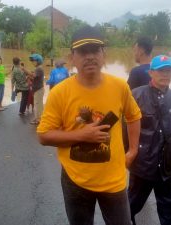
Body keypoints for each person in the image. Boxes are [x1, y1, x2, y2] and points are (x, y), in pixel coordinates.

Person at [37, 26, 141, 225]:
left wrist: (133, 150)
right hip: (75, 180)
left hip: (114, 180)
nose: (90, 56)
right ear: (72, 57)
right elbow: (44, 135)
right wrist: (82, 135)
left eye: (95, 50)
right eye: (83, 52)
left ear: (104, 55)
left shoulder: (120, 87)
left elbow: (134, 116)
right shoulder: (60, 93)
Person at [128, 55, 171, 225]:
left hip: (168, 166)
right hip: (143, 165)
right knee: (130, 206)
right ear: (151, 72)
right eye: (161, 70)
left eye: (169, 71)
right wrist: (129, 154)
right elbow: (125, 129)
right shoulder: (136, 95)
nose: (165, 74)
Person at [24, 53, 44, 125]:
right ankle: (40, 118)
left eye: (33, 61)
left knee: (37, 105)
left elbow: (33, 75)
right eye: (32, 61)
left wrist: (24, 69)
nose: (32, 62)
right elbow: (33, 77)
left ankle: (37, 120)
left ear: (38, 61)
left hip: (38, 90)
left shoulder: (39, 68)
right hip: (38, 89)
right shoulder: (38, 68)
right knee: (39, 105)